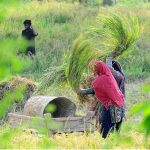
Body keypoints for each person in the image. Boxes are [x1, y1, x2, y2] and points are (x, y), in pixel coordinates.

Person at [78, 60, 125, 139]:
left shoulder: (102, 79)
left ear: (99, 69)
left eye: (95, 69)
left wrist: (81, 91)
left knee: (105, 128)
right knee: (115, 130)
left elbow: (94, 90)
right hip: (119, 107)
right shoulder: (109, 77)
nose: (94, 71)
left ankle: (105, 144)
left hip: (110, 108)